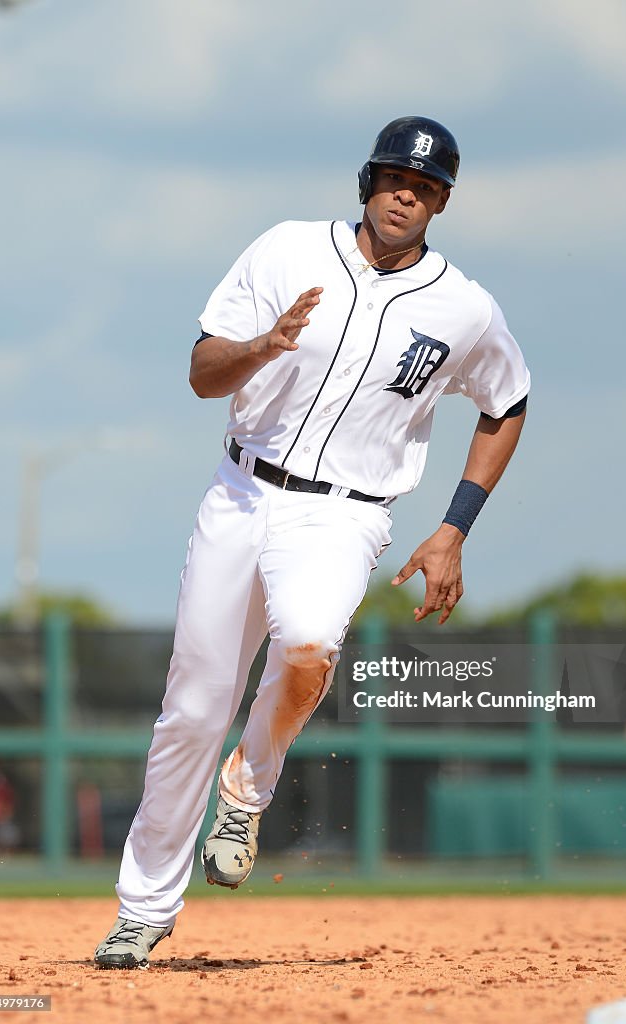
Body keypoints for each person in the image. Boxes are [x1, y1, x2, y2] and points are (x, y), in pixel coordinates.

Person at [95, 115, 530, 969]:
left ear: (442, 203)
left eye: (428, 185)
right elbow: (200, 373)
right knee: (192, 709)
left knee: (308, 645)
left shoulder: (465, 307)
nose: (408, 193)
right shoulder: (288, 250)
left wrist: (454, 528)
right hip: (241, 490)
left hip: (346, 513)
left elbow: (506, 402)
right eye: (396, 177)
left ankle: (247, 789)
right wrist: (262, 346)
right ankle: (142, 911)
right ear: (366, 181)